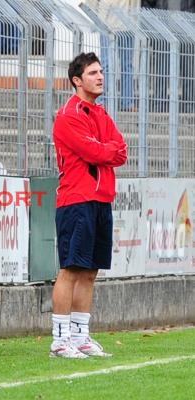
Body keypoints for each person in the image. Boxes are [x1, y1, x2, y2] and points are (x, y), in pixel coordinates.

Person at [50, 52, 127, 358]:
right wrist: (104, 149)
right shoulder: (68, 115)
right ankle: (59, 339)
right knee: (70, 269)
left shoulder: (102, 114)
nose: (100, 77)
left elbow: (120, 151)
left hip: (101, 201)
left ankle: (81, 336)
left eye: (101, 71)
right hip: (76, 200)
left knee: (90, 271)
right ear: (77, 81)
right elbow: (93, 152)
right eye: (93, 73)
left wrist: (104, 149)